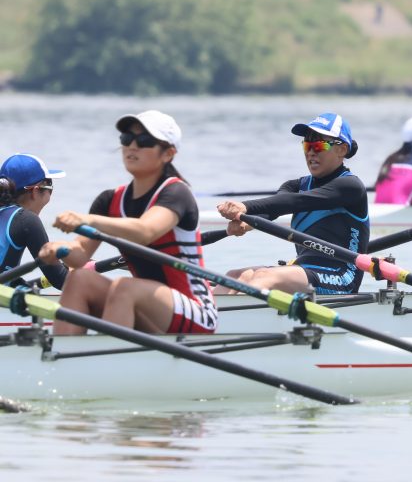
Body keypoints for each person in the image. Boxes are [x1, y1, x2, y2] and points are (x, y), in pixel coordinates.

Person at [38, 110, 218, 335]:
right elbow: (80, 255)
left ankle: (108, 353)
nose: (132, 146)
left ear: (168, 153)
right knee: (79, 278)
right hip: (146, 303)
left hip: (195, 310)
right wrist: (59, 249)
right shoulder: (109, 200)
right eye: (127, 139)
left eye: (144, 141)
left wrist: (88, 219)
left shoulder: (176, 192)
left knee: (124, 287)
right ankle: (64, 353)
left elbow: (145, 231)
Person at [216, 112, 369, 294]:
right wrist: (246, 222)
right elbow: (277, 206)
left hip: (341, 276)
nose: (311, 152)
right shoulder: (295, 186)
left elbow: (296, 201)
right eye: (307, 145)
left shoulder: (350, 186)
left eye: (319, 145)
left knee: (265, 276)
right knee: (234, 277)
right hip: (303, 269)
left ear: (342, 150)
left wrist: (245, 206)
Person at [0, 154, 68, 289]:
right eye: (50, 186)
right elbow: (61, 280)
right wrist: (81, 268)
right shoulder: (26, 220)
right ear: (35, 191)